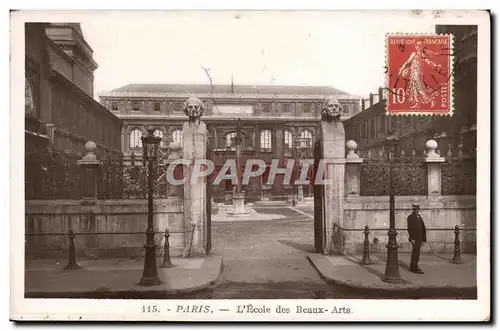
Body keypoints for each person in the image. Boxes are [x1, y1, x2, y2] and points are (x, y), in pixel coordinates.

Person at [407, 203, 427, 274]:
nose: (417, 210)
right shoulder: (410, 217)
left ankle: (413, 266)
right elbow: (409, 229)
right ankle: (414, 268)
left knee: (417, 253)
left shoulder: (419, 216)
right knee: (415, 253)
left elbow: (422, 227)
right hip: (415, 239)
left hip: (419, 238)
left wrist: (424, 238)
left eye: (418, 209)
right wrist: (412, 238)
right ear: (413, 209)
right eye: (415, 209)